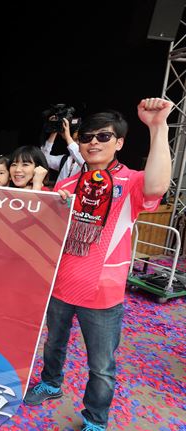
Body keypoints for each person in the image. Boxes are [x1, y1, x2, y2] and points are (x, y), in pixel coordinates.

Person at [24, 98, 172, 431]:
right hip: (61, 285)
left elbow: (158, 185)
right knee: (53, 344)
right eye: (88, 136)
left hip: (103, 294)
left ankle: (94, 419)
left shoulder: (132, 183)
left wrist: (158, 126)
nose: (94, 142)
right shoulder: (66, 185)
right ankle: (51, 383)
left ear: (119, 143)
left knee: (101, 366)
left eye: (103, 137)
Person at [42, 117, 85, 184]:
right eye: (76, 140)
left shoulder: (88, 162)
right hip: (58, 193)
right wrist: (54, 131)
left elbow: (79, 156)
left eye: (81, 139)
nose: (78, 143)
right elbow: (43, 158)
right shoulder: (64, 159)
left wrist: (67, 136)